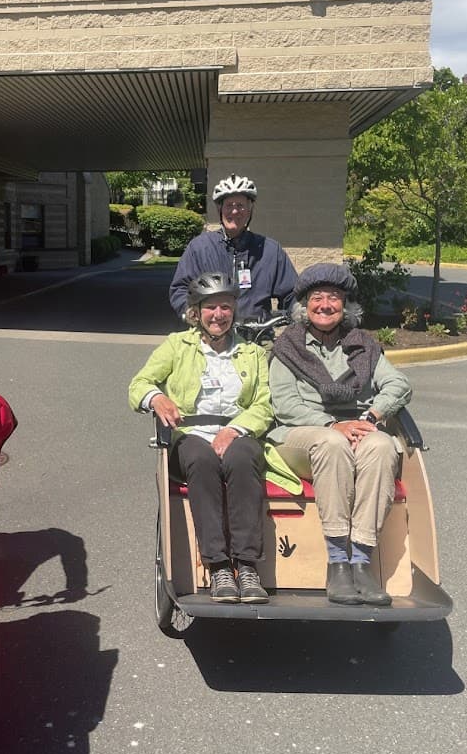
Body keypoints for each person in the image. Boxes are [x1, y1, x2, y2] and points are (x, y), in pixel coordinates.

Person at [268, 263, 412, 606]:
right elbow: (285, 405)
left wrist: (373, 415)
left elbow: (398, 384)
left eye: (334, 298)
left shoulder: (363, 345)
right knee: (333, 443)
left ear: (346, 306)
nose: (325, 304)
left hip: (356, 430)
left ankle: (362, 562)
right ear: (304, 305)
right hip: (300, 435)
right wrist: (333, 425)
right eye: (317, 297)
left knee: (380, 447)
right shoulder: (287, 346)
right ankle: (337, 563)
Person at [129, 272, 277, 604]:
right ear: (196, 312)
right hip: (190, 433)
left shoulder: (252, 353)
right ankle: (219, 565)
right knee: (202, 458)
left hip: (236, 430)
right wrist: (156, 398)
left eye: (225, 307)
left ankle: (247, 565)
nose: (218, 315)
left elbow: (264, 404)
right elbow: (138, 384)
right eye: (210, 307)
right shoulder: (176, 345)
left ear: (234, 311)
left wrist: (234, 430)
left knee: (243, 458)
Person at [169, 173, 298, 321]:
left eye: (240, 206)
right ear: (220, 210)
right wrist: (189, 310)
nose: (235, 211)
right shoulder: (199, 248)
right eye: (229, 205)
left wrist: (298, 310)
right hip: (212, 331)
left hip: (257, 335)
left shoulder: (270, 250)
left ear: (250, 210)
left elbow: (291, 292)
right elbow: (181, 288)